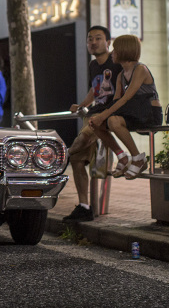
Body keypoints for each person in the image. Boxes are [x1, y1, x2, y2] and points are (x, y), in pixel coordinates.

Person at [62, 26, 123, 222]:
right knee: (78, 161)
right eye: (90, 39)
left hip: (108, 116)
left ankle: (59, 157)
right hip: (95, 114)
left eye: (98, 38)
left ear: (108, 42)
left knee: (83, 138)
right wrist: (82, 104)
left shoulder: (117, 63)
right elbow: (95, 89)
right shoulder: (92, 65)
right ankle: (84, 206)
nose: (93, 42)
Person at [88, 34, 163, 180]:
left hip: (149, 114)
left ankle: (138, 158)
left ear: (124, 51)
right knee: (100, 123)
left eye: (115, 50)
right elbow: (116, 102)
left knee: (107, 119)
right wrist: (99, 117)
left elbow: (126, 97)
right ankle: (122, 157)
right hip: (133, 113)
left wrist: (103, 115)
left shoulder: (140, 69)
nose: (112, 54)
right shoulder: (121, 75)